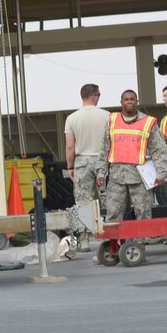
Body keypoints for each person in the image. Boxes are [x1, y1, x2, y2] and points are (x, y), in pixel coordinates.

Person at [98, 89, 167, 232]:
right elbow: (104, 150)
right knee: (113, 214)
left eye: (132, 99)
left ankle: (141, 244)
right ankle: (113, 247)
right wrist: (101, 173)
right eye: (126, 99)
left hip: (140, 177)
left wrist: (162, 173)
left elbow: (159, 150)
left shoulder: (148, 122)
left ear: (137, 102)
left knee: (143, 213)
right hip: (116, 177)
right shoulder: (112, 122)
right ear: (121, 102)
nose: (129, 102)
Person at [59, 83, 105, 258]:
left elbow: (70, 146)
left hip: (82, 163)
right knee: (107, 199)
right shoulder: (107, 116)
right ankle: (106, 237)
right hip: (102, 162)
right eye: (98, 94)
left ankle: (84, 240)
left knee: (83, 202)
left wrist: (70, 166)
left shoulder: (72, 119)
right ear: (93, 96)